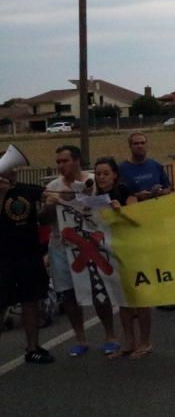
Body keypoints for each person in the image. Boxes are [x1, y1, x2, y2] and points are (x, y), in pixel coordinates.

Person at [44, 145, 121, 356]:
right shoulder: (52, 186)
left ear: (77, 161)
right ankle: (80, 337)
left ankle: (110, 335)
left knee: (99, 289)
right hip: (61, 246)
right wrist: (49, 206)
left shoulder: (93, 181)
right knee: (67, 294)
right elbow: (44, 220)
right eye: (58, 161)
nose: (61, 165)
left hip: (90, 244)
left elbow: (106, 206)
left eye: (65, 161)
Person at [95, 157, 154, 359]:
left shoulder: (125, 191)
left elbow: (139, 220)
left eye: (105, 173)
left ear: (114, 175)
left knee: (140, 297)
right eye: (98, 174)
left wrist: (121, 212)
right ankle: (129, 342)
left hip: (134, 250)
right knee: (122, 299)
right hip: (112, 252)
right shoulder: (96, 196)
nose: (101, 177)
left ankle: (145, 342)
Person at [0, 162, 55, 363]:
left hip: (29, 254)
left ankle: (33, 348)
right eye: (8, 167)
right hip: (3, 256)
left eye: (14, 168)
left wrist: (50, 202)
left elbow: (47, 206)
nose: (12, 171)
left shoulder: (26, 189)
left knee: (30, 301)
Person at [118, 133, 172, 201]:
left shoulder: (156, 165)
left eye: (142, 143)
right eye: (136, 143)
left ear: (146, 145)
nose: (140, 146)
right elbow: (118, 196)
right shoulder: (121, 169)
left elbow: (168, 188)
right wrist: (137, 196)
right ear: (130, 146)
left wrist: (160, 192)